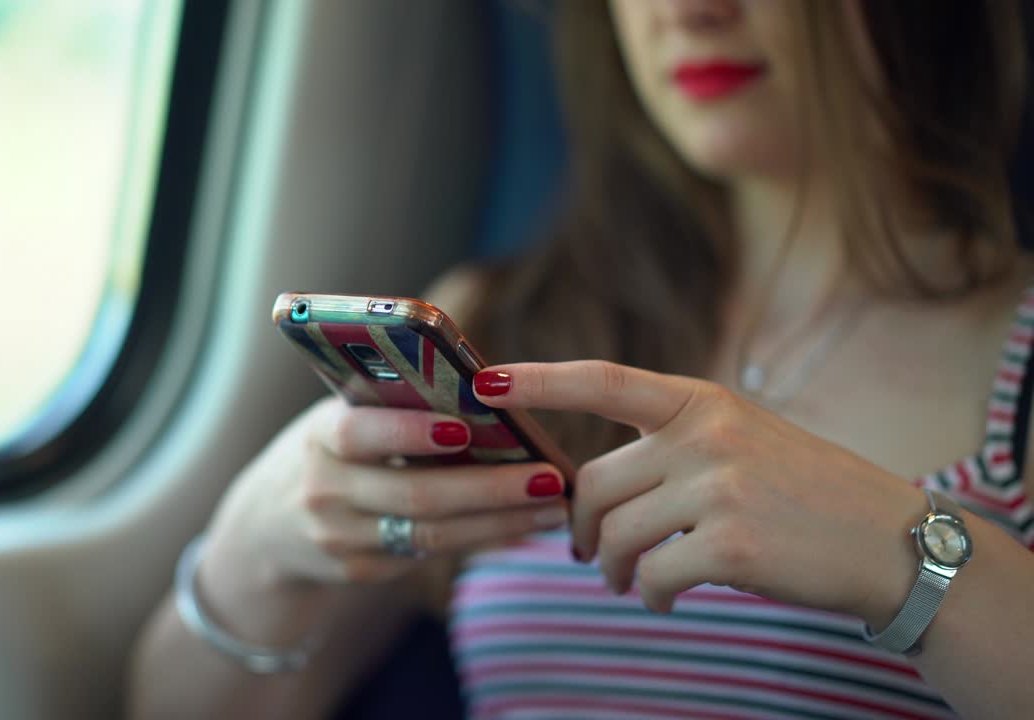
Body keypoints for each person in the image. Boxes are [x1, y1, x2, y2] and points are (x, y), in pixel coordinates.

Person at [130, 1, 1034, 718]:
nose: (689, 9)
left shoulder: (1018, 353)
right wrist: (257, 551)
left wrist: (906, 556)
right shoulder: (512, 318)